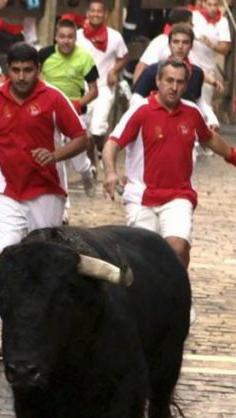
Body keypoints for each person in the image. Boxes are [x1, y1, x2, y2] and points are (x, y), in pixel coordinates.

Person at [103, 57, 236, 270]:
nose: (174, 87)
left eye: (180, 82)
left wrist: (233, 156)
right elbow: (112, 143)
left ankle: (179, 298)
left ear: (186, 84)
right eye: (169, 80)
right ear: (158, 81)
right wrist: (110, 172)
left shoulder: (192, 112)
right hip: (141, 196)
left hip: (178, 195)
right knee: (143, 258)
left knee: (178, 247)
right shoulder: (140, 111)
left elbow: (208, 138)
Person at [0, 42, 88, 260]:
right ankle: (0, 290)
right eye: (16, 70)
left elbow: (81, 138)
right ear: (8, 69)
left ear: (38, 69)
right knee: (3, 255)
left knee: (44, 257)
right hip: (5, 189)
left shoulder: (54, 98)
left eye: (27, 70)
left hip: (45, 190)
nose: (21, 77)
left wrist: (55, 155)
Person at [37, 18, 98, 199]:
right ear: (55, 37)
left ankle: (88, 174)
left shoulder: (85, 58)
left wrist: (78, 104)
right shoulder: (44, 55)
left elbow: (94, 91)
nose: (66, 41)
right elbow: (35, 78)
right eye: (62, 36)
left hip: (74, 110)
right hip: (49, 110)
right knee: (55, 155)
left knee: (78, 162)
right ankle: (62, 204)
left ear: (75, 38)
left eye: (70, 37)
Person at [133, 24, 219, 128]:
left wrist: (211, 118)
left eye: (185, 42)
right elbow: (136, 98)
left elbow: (197, 99)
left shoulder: (197, 74)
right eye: (176, 42)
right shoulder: (153, 70)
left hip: (183, 128)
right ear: (169, 45)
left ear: (191, 45)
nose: (180, 46)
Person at [76, 0, 128, 163]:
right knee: (85, 130)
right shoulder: (77, 36)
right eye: (93, 11)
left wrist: (114, 71)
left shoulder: (115, 36)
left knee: (98, 128)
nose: (96, 14)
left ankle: (103, 153)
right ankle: (92, 165)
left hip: (104, 87)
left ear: (105, 14)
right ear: (87, 13)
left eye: (99, 11)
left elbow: (123, 57)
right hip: (82, 88)